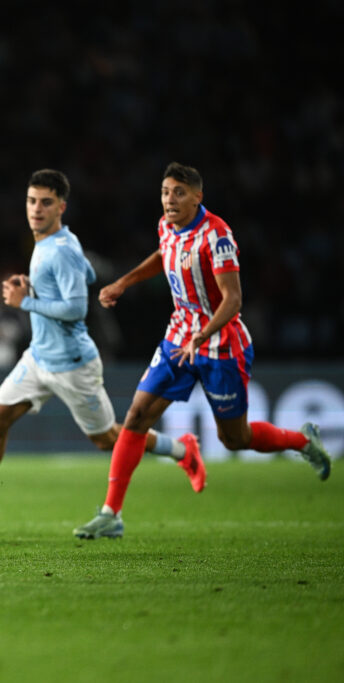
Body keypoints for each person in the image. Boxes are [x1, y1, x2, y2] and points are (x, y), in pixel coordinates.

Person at [74, 162, 332, 539]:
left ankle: (304, 441)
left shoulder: (218, 236)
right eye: (165, 192)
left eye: (179, 192)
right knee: (136, 416)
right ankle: (111, 513)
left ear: (198, 196)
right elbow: (165, 255)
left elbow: (233, 300)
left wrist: (204, 333)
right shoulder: (166, 226)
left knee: (235, 439)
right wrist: (124, 283)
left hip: (220, 344)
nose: (170, 200)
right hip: (179, 338)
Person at [0, 169, 204, 527]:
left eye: (46, 202)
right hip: (39, 357)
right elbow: (88, 277)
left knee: (108, 439)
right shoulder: (50, 244)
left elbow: (76, 309)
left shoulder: (60, 250)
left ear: (61, 206)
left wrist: (24, 303)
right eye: (32, 201)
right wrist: (36, 288)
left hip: (73, 364)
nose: (37, 209)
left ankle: (184, 450)